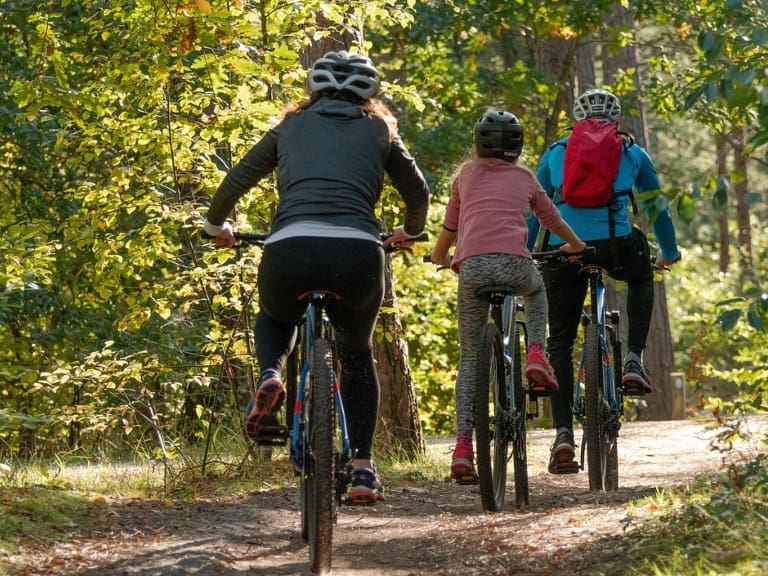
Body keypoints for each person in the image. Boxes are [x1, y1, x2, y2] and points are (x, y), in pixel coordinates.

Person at [203, 50, 430, 504]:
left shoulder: (289, 126)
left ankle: (271, 373)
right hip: (358, 252)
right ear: (370, 93)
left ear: (314, 87)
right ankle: (363, 468)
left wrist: (216, 227)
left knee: (276, 315)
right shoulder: (380, 129)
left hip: (291, 246)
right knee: (358, 355)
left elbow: (237, 179)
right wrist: (410, 231)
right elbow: (417, 191)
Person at [528, 89, 681, 474]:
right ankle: (632, 359)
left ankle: (563, 434)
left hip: (565, 250)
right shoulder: (632, 152)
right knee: (642, 276)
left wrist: (529, 250)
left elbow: (534, 208)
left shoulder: (556, 152)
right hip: (617, 247)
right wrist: (669, 250)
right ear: (615, 118)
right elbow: (656, 207)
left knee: (559, 340)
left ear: (578, 118)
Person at [430, 110, 586, 481]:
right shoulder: (525, 177)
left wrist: (440, 257)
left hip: (473, 270)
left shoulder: (465, 176)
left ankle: (464, 447)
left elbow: (451, 225)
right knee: (536, 291)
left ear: (478, 142)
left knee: (470, 359)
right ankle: (535, 352)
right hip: (517, 266)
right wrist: (576, 245)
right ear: (517, 147)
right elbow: (551, 219)